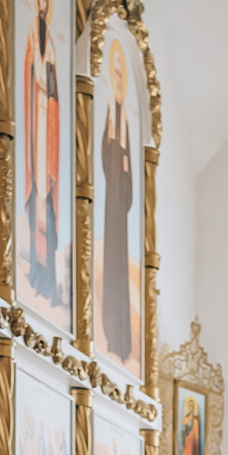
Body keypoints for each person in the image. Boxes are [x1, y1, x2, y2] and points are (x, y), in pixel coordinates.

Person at [20, 0, 62, 306]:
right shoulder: (32, 37)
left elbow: (56, 92)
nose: (44, 2)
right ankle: (36, 268)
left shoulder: (53, 47)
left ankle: (48, 279)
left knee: (47, 203)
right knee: (36, 199)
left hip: (49, 129)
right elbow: (26, 76)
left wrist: (49, 97)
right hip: (35, 127)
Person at [99, 42, 134, 361]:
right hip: (111, 204)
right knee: (111, 267)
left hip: (121, 205)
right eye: (117, 77)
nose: (119, 83)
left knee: (122, 270)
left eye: (123, 78)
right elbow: (104, 153)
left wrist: (124, 170)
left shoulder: (127, 123)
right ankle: (111, 332)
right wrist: (112, 147)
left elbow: (130, 166)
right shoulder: (111, 113)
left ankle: (123, 339)